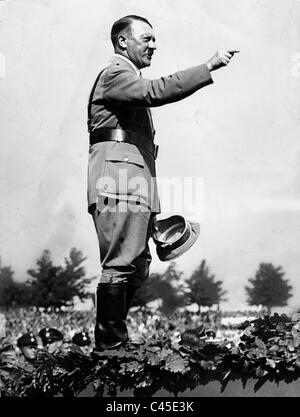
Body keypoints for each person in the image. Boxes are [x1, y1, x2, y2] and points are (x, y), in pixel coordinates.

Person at [87, 15, 238, 351]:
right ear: (123, 41)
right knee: (121, 265)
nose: (154, 45)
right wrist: (208, 65)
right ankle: (109, 347)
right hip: (119, 184)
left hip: (132, 184)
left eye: (155, 39)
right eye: (147, 38)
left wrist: (153, 205)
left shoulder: (125, 78)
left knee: (137, 268)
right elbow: (156, 91)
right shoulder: (115, 74)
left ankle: (115, 343)